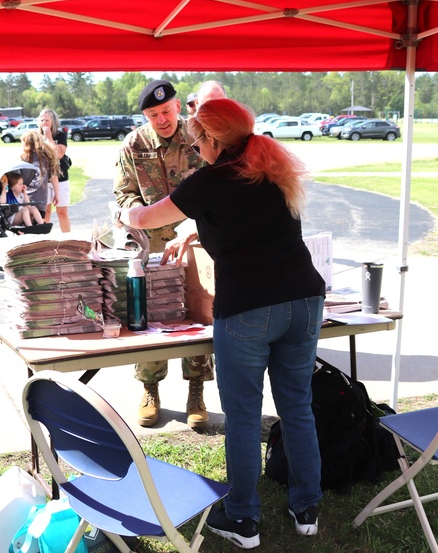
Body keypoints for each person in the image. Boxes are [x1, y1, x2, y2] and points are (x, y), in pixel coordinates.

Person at [117, 98, 325, 547]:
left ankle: (243, 519)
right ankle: (307, 507)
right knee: (297, 407)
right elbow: (250, 223)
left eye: (198, 140)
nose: (196, 147)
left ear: (212, 140)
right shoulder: (270, 168)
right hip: (305, 299)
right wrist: (197, 229)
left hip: (250, 306)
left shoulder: (208, 181)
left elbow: (149, 217)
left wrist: (123, 213)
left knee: (245, 417)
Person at [113, 79, 212, 430]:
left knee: (196, 315)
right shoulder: (134, 144)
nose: (162, 120)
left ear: (177, 107)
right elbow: (123, 193)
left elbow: (214, 183)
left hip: (195, 243)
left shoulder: (198, 137)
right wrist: (142, 214)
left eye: (167, 111)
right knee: (151, 316)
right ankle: (150, 389)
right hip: (150, 247)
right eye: (154, 114)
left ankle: (196, 391)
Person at [38, 108, 71, 232]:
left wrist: (50, 138)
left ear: (53, 121)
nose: (44, 123)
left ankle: (68, 240)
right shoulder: (37, 137)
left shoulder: (60, 135)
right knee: (45, 211)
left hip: (61, 178)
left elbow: (59, 154)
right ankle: (45, 241)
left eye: (47, 120)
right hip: (44, 180)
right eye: (42, 120)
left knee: (62, 212)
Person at [19, 130, 60, 216]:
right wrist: (57, 194)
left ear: (27, 144)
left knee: (25, 226)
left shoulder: (23, 159)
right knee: (37, 226)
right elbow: (54, 177)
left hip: (24, 200)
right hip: (41, 201)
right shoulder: (47, 157)